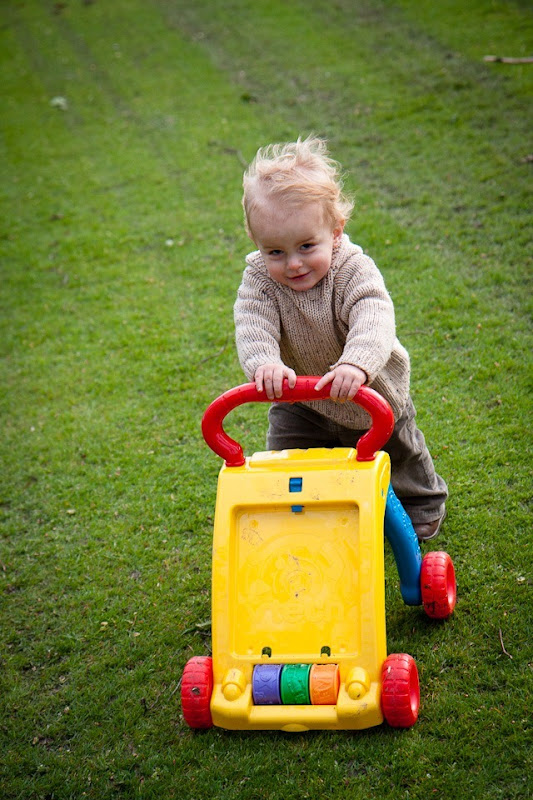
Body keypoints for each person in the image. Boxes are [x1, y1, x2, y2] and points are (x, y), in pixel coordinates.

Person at [233, 136, 447, 541]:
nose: (293, 264)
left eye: (306, 246)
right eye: (275, 252)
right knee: (288, 457)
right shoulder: (259, 279)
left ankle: (423, 504)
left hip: (370, 390)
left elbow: (373, 314)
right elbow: (252, 322)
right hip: (300, 397)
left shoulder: (352, 269)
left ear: (335, 232)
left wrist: (356, 363)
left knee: (397, 452)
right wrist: (264, 363)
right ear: (257, 244)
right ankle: (303, 510)